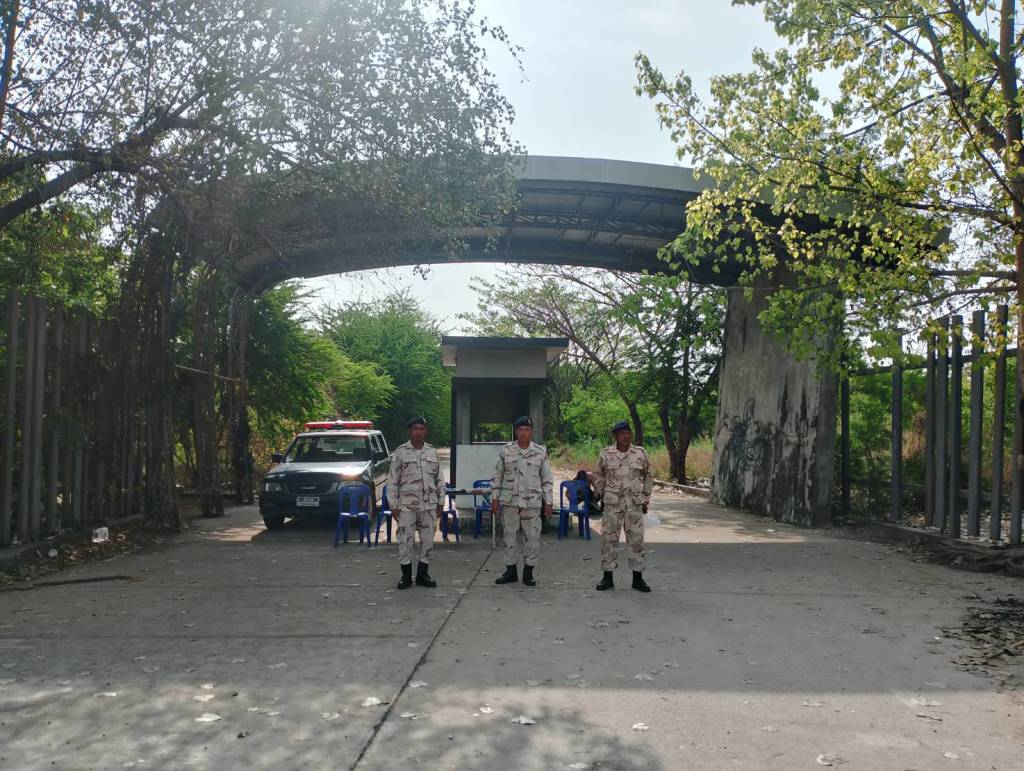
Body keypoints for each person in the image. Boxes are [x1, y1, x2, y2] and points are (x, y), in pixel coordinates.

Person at [591, 420, 654, 592]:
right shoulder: (606, 454)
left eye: (628, 433)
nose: (626, 436)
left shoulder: (640, 453)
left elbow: (649, 475)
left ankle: (638, 579)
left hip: (634, 504)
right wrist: (601, 492)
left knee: (636, 540)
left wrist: (645, 497)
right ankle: (607, 578)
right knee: (608, 540)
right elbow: (597, 474)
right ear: (615, 436)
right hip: (612, 505)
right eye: (622, 433)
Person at [490, 415, 553, 587]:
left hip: (532, 503)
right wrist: (494, 498)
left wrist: (548, 501)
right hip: (510, 502)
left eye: (527, 430)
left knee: (532, 539)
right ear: (516, 432)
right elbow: (497, 476)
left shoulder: (540, 452)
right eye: (521, 430)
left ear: (531, 432)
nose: (524, 433)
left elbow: (547, 479)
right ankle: (510, 571)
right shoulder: (506, 451)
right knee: (509, 538)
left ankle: (528, 573)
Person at [388, 416, 445, 590]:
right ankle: (406, 577)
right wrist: (393, 505)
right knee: (406, 541)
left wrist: (441, 502)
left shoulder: (432, 452)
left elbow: (440, 479)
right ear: (409, 431)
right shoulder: (400, 452)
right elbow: (392, 481)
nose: (418, 432)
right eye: (415, 429)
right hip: (407, 506)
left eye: (421, 429)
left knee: (428, 541)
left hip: (429, 505)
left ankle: (422, 575)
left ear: (425, 431)